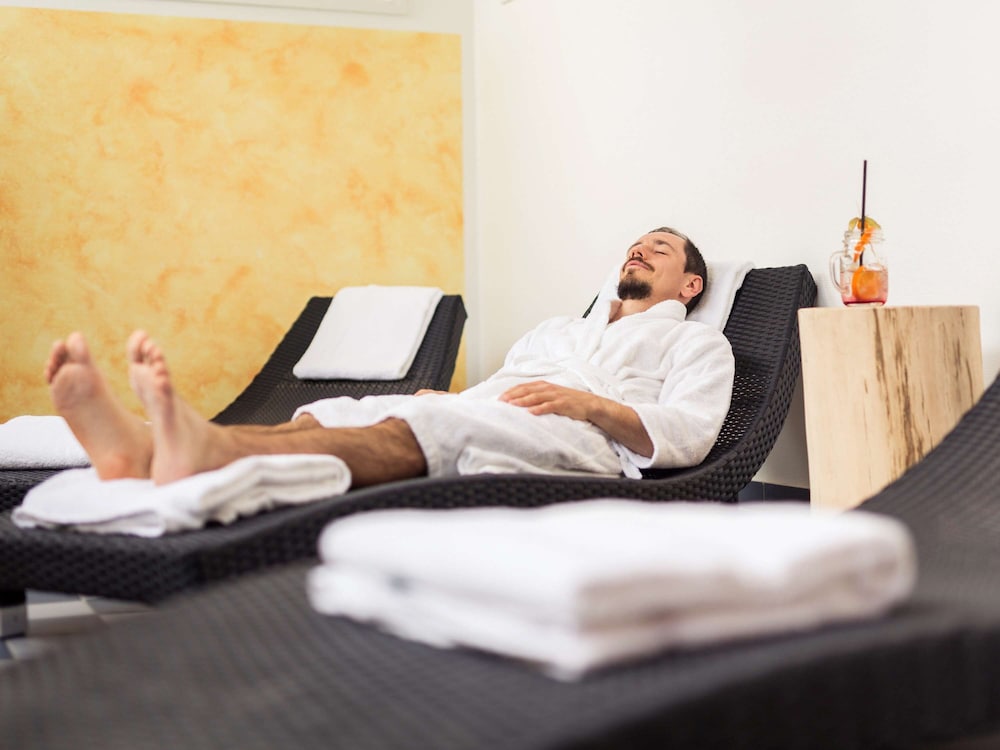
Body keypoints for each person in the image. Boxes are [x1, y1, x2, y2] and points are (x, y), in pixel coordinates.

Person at [44, 227, 735, 488]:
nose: (639, 250)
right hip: (507, 412)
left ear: (690, 285)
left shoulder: (698, 342)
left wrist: (590, 405)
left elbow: (691, 431)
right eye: (635, 245)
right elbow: (506, 383)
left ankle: (194, 450)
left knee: (426, 430)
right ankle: (151, 452)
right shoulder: (559, 329)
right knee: (356, 409)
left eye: (660, 249)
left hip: (584, 440)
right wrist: (459, 398)